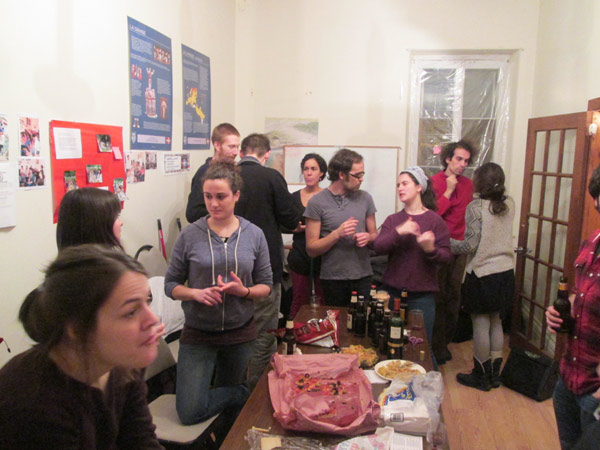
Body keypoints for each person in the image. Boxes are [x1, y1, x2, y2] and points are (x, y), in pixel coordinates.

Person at [0, 245, 165, 449]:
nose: (153, 319)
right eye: (131, 311)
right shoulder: (34, 405)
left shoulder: (123, 365)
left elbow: (141, 442)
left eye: (147, 301)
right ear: (77, 328)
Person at [165, 161, 272, 424]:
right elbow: (171, 285)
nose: (214, 204)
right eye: (208, 197)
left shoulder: (254, 235)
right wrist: (194, 294)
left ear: (236, 196)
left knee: (229, 417)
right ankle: (242, 393)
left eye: (221, 197)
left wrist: (243, 290)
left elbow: (266, 286)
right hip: (198, 333)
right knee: (190, 411)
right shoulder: (190, 235)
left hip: (240, 332)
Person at [234, 133, 302, 388]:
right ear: (266, 154)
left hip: (229, 265)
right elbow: (291, 217)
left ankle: (236, 385)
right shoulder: (271, 177)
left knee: (235, 331)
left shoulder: (228, 176)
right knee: (263, 332)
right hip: (265, 264)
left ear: (242, 152)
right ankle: (256, 391)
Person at [546, 164, 600, 449]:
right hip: (568, 377)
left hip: (596, 390)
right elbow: (581, 297)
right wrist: (558, 310)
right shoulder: (591, 243)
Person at [372, 166, 451, 358]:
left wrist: (430, 249)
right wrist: (400, 231)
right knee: (391, 344)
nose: (400, 188)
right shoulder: (394, 220)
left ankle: (425, 387)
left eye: (405, 183)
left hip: (422, 298)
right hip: (392, 295)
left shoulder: (434, 221)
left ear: (419, 187)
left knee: (421, 348)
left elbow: (447, 257)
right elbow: (378, 246)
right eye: (398, 184)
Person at [449, 162, 515, 391]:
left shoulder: (476, 208)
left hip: (482, 274)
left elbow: (469, 246)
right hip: (505, 272)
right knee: (496, 321)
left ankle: (480, 376)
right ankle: (495, 375)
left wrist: (445, 241)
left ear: (479, 182)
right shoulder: (509, 204)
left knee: (480, 322)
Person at [305, 148, 378, 306]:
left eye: (362, 174)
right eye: (357, 175)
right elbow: (311, 248)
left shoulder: (365, 198)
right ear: (341, 175)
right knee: (337, 325)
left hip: (363, 276)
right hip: (333, 279)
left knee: (361, 325)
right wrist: (337, 234)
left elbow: (374, 235)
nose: (361, 179)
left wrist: (368, 237)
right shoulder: (317, 202)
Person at [431, 140, 477, 364]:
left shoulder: (469, 184)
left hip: (461, 249)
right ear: (448, 158)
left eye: (466, 161)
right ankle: (435, 345)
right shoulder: (435, 182)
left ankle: (444, 343)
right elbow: (433, 214)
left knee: (453, 297)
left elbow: (471, 215)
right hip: (440, 247)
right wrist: (448, 190)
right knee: (437, 296)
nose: (462, 164)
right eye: (459, 159)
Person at [287, 153, 327, 318]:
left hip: (323, 256)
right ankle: (293, 336)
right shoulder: (293, 197)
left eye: (313, 169)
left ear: (321, 173)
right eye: (306, 169)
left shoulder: (328, 197)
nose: (309, 173)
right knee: (299, 300)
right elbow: (283, 222)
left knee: (322, 300)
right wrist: (294, 229)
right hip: (300, 256)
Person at [186, 123, 240, 223]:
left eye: (237, 147)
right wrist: (221, 209)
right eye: (231, 147)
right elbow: (192, 213)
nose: (236, 152)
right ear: (217, 145)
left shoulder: (234, 171)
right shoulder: (204, 173)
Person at [56, 187, 123, 250]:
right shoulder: (102, 262)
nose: (121, 223)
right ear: (96, 224)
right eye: (116, 216)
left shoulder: (68, 260)